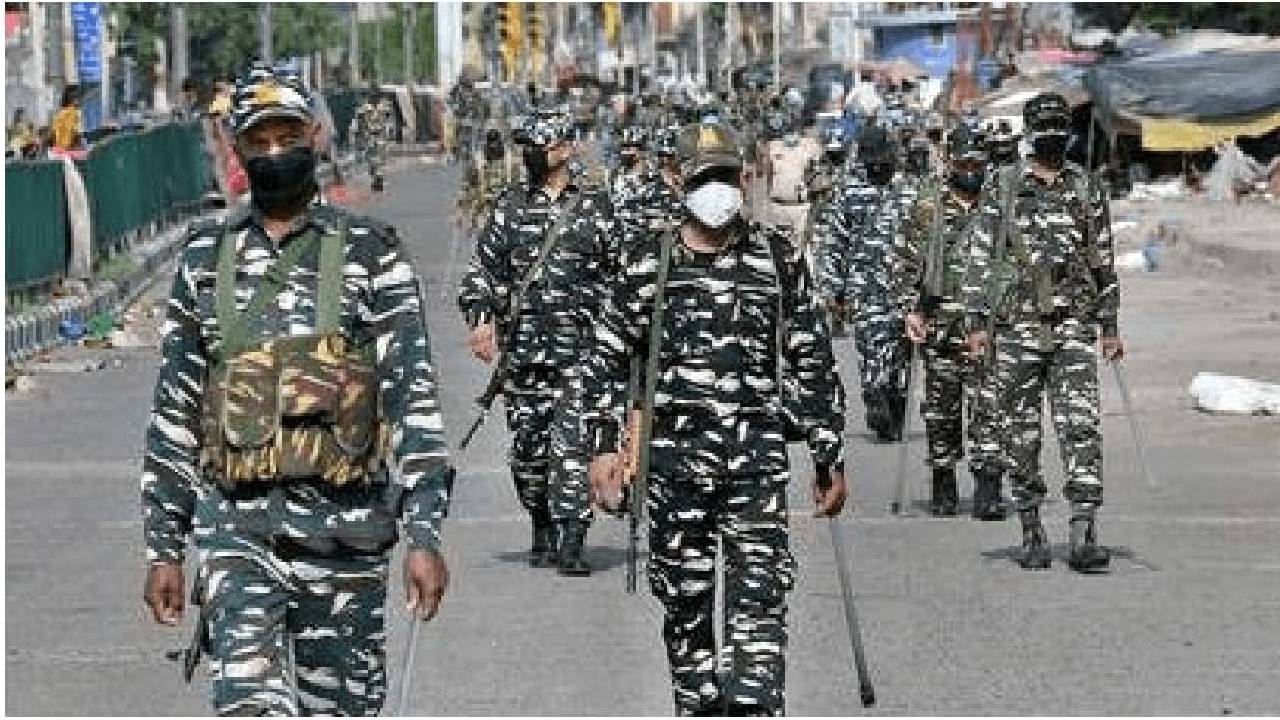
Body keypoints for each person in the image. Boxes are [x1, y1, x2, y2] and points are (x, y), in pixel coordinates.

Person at [139, 65, 450, 715]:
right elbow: (176, 410)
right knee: (248, 704)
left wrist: (424, 533)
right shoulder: (205, 257)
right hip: (236, 534)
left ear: (315, 135)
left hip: (345, 544)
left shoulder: (370, 253)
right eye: (260, 140)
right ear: (236, 147)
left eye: (288, 136)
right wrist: (164, 546)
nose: (275, 152)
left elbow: (410, 399)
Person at [582, 122, 849, 716]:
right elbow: (604, 359)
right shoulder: (647, 261)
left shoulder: (775, 258)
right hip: (673, 474)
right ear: (678, 180)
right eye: (705, 177)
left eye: (727, 176)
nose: (718, 189)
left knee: (760, 610)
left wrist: (827, 453)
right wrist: (602, 449)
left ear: (744, 177)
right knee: (686, 614)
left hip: (756, 470)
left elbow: (812, 357)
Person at [963, 92, 1123, 572]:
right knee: (1020, 432)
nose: (1053, 135)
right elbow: (981, 256)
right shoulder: (1004, 185)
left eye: (1059, 126)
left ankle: (1084, 529)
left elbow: (1103, 259)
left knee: (1081, 426)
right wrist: (976, 323)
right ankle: (1031, 527)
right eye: (1045, 127)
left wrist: (1109, 325)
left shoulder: (1086, 187)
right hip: (1016, 327)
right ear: (1031, 134)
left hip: (1073, 324)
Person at [458, 108, 618, 576]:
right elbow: (482, 273)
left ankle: (573, 539)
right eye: (525, 147)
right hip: (524, 356)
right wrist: (481, 319)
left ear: (565, 149)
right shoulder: (509, 207)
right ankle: (541, 520)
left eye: (538, 146)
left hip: (581, 357)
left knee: (572, 448)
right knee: (530, 455)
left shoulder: (597, 207)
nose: (529, 154)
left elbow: (620, 277)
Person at [894, 123, 1007, 519]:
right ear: (950, 163)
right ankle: (943, 480)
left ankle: (989, 486)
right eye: (964, 164)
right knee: (942, 412)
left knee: (989, 409)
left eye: (977, 164)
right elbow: (905, 264)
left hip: (986, 329)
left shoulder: (1000, 207)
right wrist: (910, 311)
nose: (971, 171)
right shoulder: (929, 207)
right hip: (940, 327)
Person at [848, 125, 916, 441]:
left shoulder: (910, 192)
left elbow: (926, 239)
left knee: (900, 349)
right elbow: (835, 241)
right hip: (864, 286)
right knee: (870, 344)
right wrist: (834, 289)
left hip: (904, 288)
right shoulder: (849, 194)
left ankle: (895, 399)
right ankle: (875, 394)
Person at [50, 85, 83, 151]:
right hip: (70, 149)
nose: (78, 100)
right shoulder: (75, 112)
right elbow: (77, 133)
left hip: (58, 149)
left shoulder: (59, 113)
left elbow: (53, 134)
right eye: (76, 97)